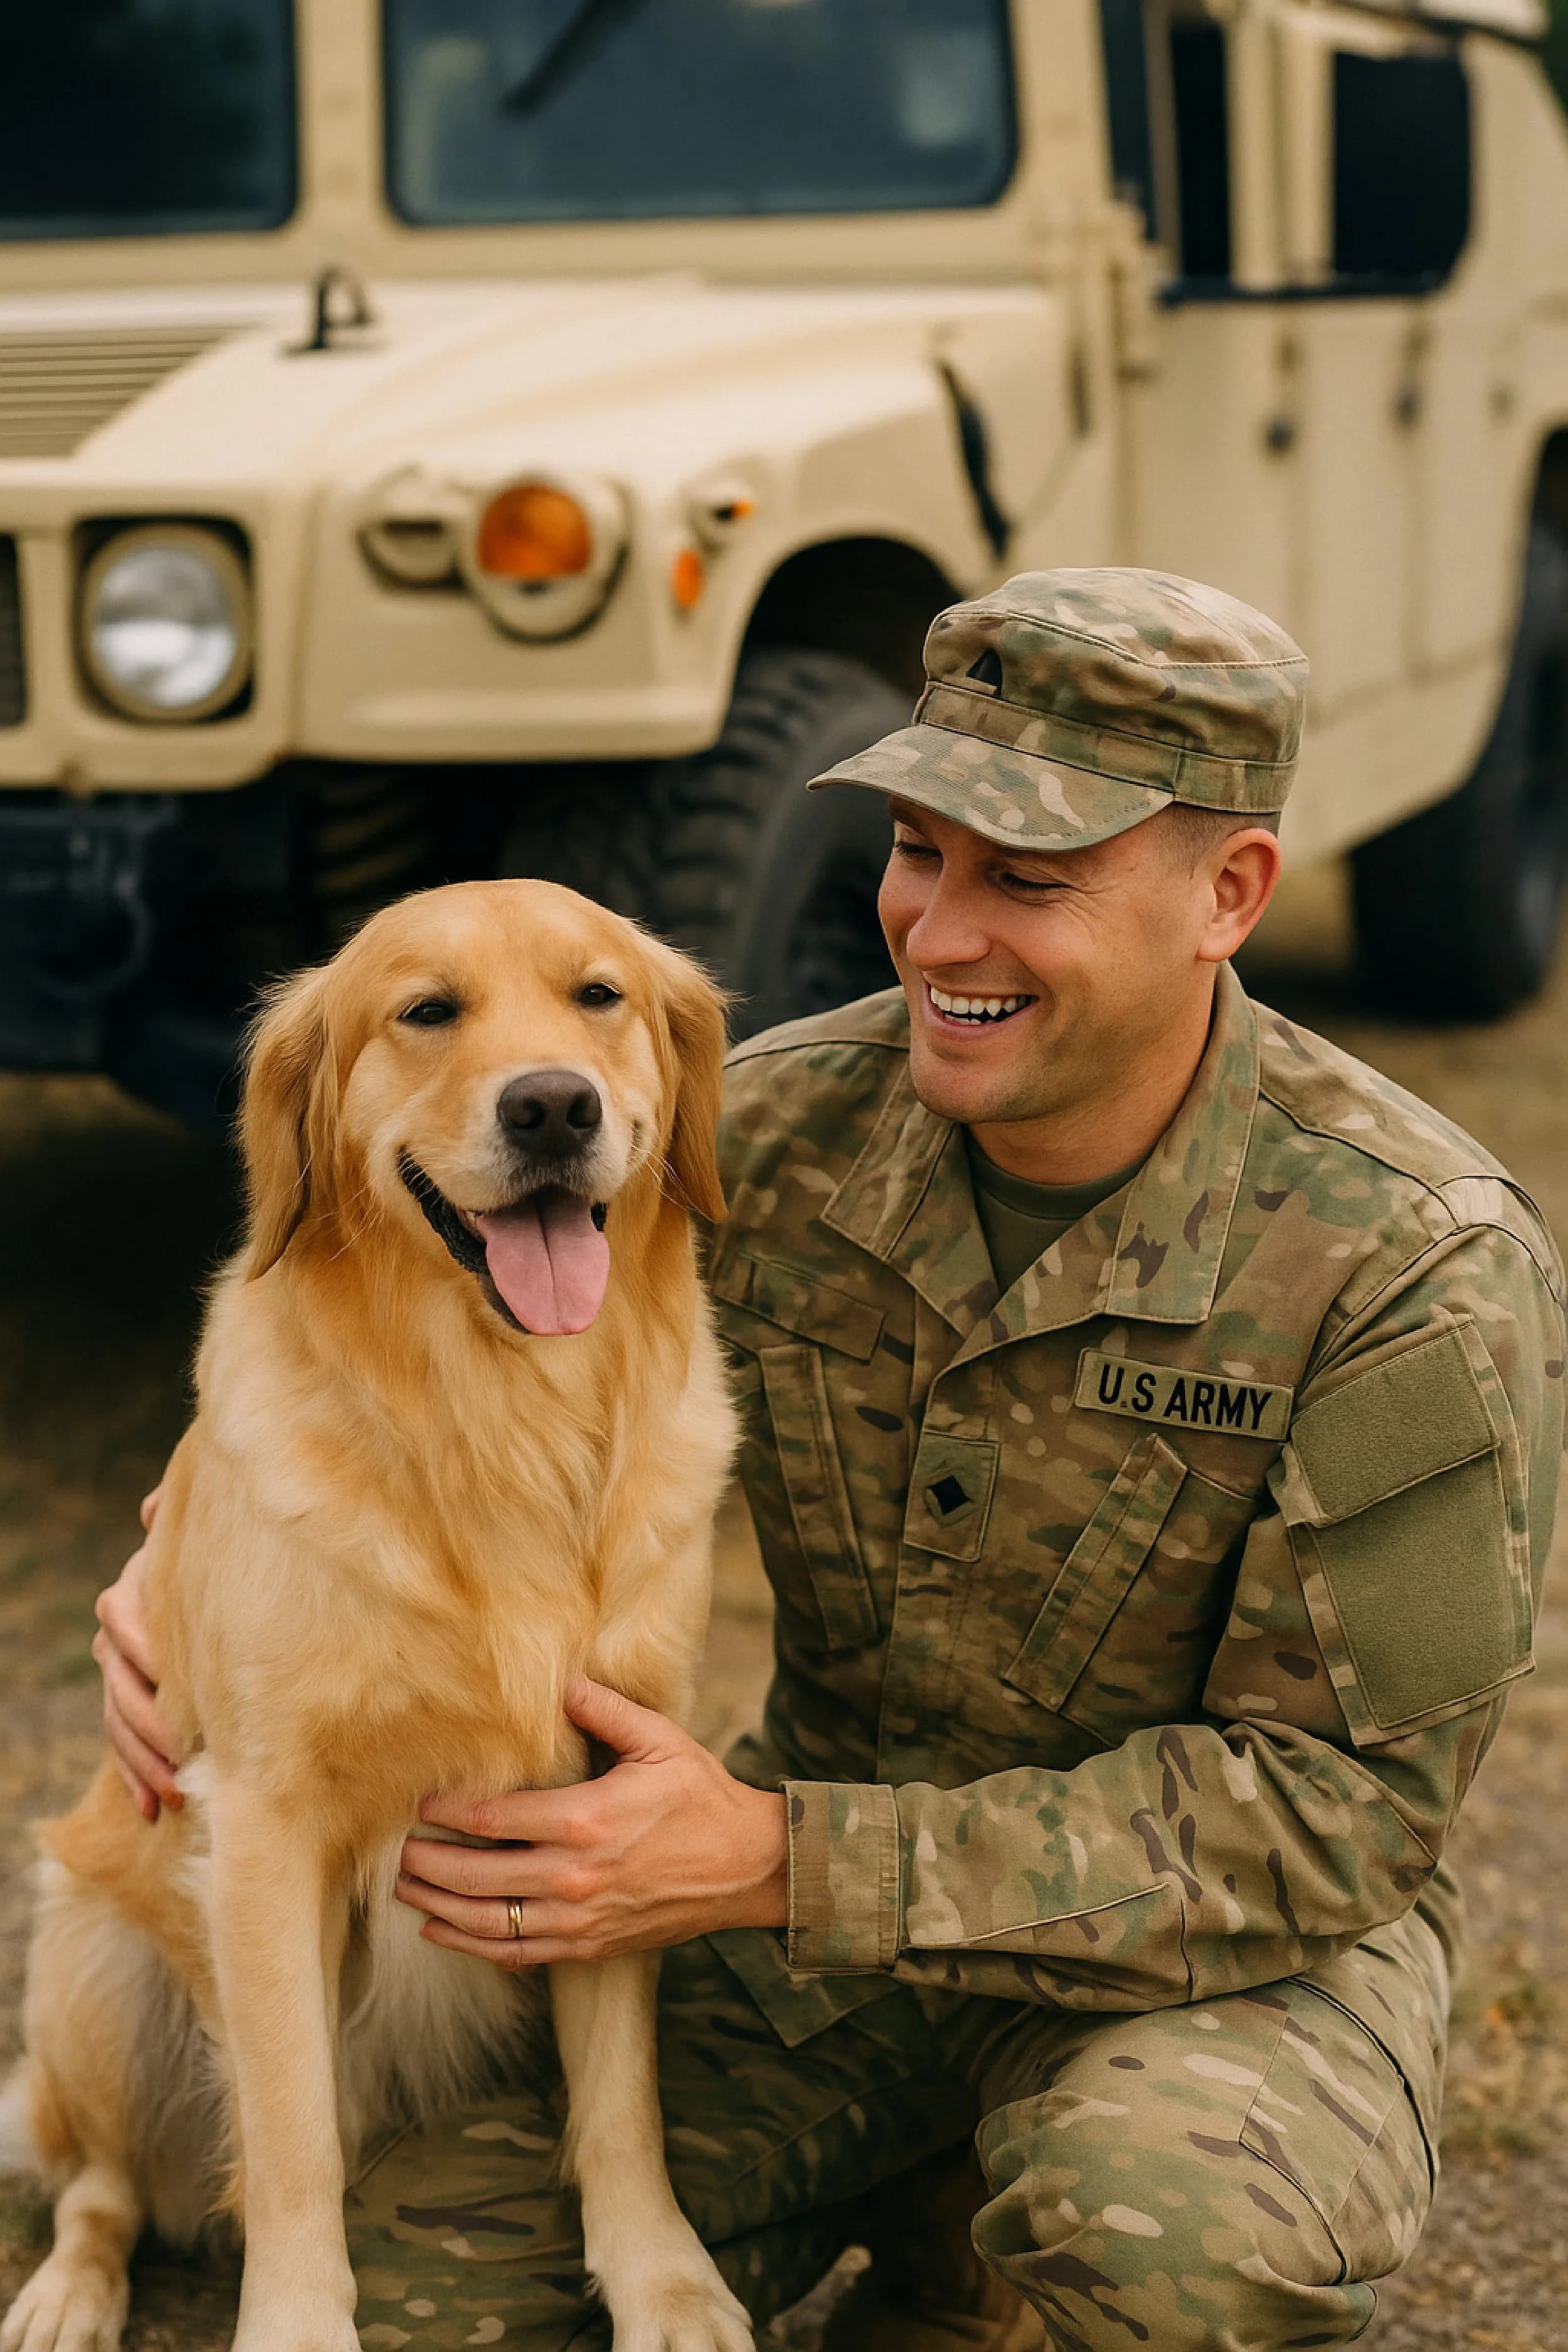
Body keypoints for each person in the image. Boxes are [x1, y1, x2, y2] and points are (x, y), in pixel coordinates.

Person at [92, 571, 1565, 2352]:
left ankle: (993, 2221)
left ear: (1228, 895)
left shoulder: (1409, 1264)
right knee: (421, 2300)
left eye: (1028, 881)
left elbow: (1338, 1820)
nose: (940, 934)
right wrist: (177, 1562)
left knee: (1162, 2243)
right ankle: (918, 2194)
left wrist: (786, 1863)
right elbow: (341, 1326)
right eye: (916, 854)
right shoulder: (755, 1129)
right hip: (795, 1955)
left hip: (1193, 1975)